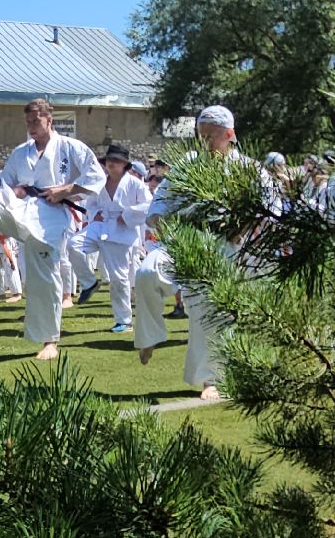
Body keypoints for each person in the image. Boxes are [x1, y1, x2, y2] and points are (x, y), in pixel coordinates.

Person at [0, 97, 101, 360]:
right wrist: (15, 191)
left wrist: (67, 188)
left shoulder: (70, 147)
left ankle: (49, 341)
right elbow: (5, 184)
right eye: (28, 122)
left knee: (44, 278)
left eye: (36, 121)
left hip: (52, 217)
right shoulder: (21, 151)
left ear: (49, 119)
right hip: (22, 208)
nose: (32, 126)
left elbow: (95, 176)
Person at [135, 104, 244, 402]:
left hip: (223, 250)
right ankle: (150, 337)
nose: (204, 142)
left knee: (207, 311)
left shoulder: (247, 169)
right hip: (184, 241)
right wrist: (166, 224)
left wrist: (242, 227)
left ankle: (210, 378)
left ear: (229, 134)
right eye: (200, 135)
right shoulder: (188, 164)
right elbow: (159, 206)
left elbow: (270, 211)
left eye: (211, 136)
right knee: (146, 272)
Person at [83, 144, 153, 333]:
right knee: (74, 246)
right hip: (102, 227)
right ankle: (89, 282)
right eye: (109, 160)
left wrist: (127, 215)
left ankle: (124, 320)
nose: (112, 164)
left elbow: (148, 205)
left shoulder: (135, 184)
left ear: (125, 164)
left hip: (124, 232)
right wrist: (95, 213)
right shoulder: (100, 184)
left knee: (119, 277)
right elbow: (90, 204)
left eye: (116, 161)